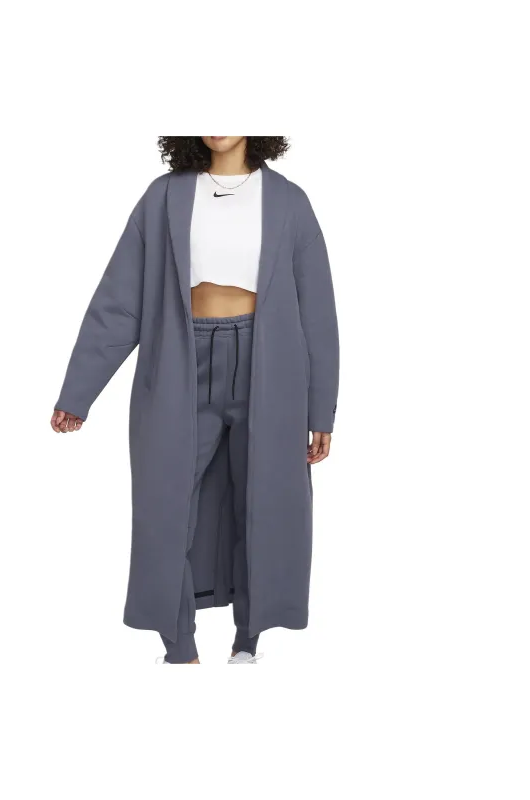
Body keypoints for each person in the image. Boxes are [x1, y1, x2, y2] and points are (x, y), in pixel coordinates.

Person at [51, 136, 339, 664]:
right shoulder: (164, 196)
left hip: (269, 364)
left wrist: (322, 409)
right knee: (165, 504)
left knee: (263, 500)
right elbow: (120, 301)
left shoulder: (290, 202)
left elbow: (317, 311)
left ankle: (248, 640)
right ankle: (179, 647)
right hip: (179, 357)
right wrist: (79, 391)